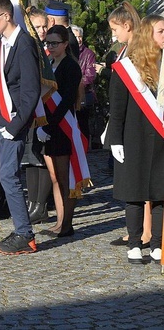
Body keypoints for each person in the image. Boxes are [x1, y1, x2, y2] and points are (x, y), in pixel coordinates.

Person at [0, 0, 41, 255]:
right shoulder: (3, 42)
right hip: (2, 117)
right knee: (7, 175)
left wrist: (16, 125)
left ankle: (25, 234)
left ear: (6, 16)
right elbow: (6, 81)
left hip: (14, 121)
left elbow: (30, 91)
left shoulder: (24, 44)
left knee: (8, 175)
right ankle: (21, 229)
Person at [107, 14, 164, 264]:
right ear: (147, 35)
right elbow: (117, 109)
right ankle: (134, 244)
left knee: (161, 194)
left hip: (161, 139)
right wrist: (115, 140)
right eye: (161, 31)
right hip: (133, 138)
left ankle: (157, 246)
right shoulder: (126, 69)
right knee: (135, 194)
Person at [35, 25, 82, 238]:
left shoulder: (71, 67)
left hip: (63, 126)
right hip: (47, 126)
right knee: (54, 177)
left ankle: (66, 224)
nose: (50, 47)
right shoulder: (49, 65)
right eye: (48, 43)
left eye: (55, 43)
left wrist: (49, 125)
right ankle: (59, 221)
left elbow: (66, 101)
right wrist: (40, 125)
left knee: (65, 178)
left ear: (65, 44)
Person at [26, 7, 53, 225]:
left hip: (48, 113)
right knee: (30, 159)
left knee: (42, 160)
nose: (42, 30)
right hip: (31, 111)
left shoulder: (50, 51)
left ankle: (41, 205)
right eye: (38, 26)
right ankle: (31, 203)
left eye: (44, 26)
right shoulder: (30, 48)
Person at [71, 25, 97, 141]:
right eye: (75, 36)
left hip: (84, 94)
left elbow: (90, 75)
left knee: (83, 124)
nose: (78, 39)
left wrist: (76, 85)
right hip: (69, 94)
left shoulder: (88, 54)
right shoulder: (67, 52)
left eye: (80, 36)